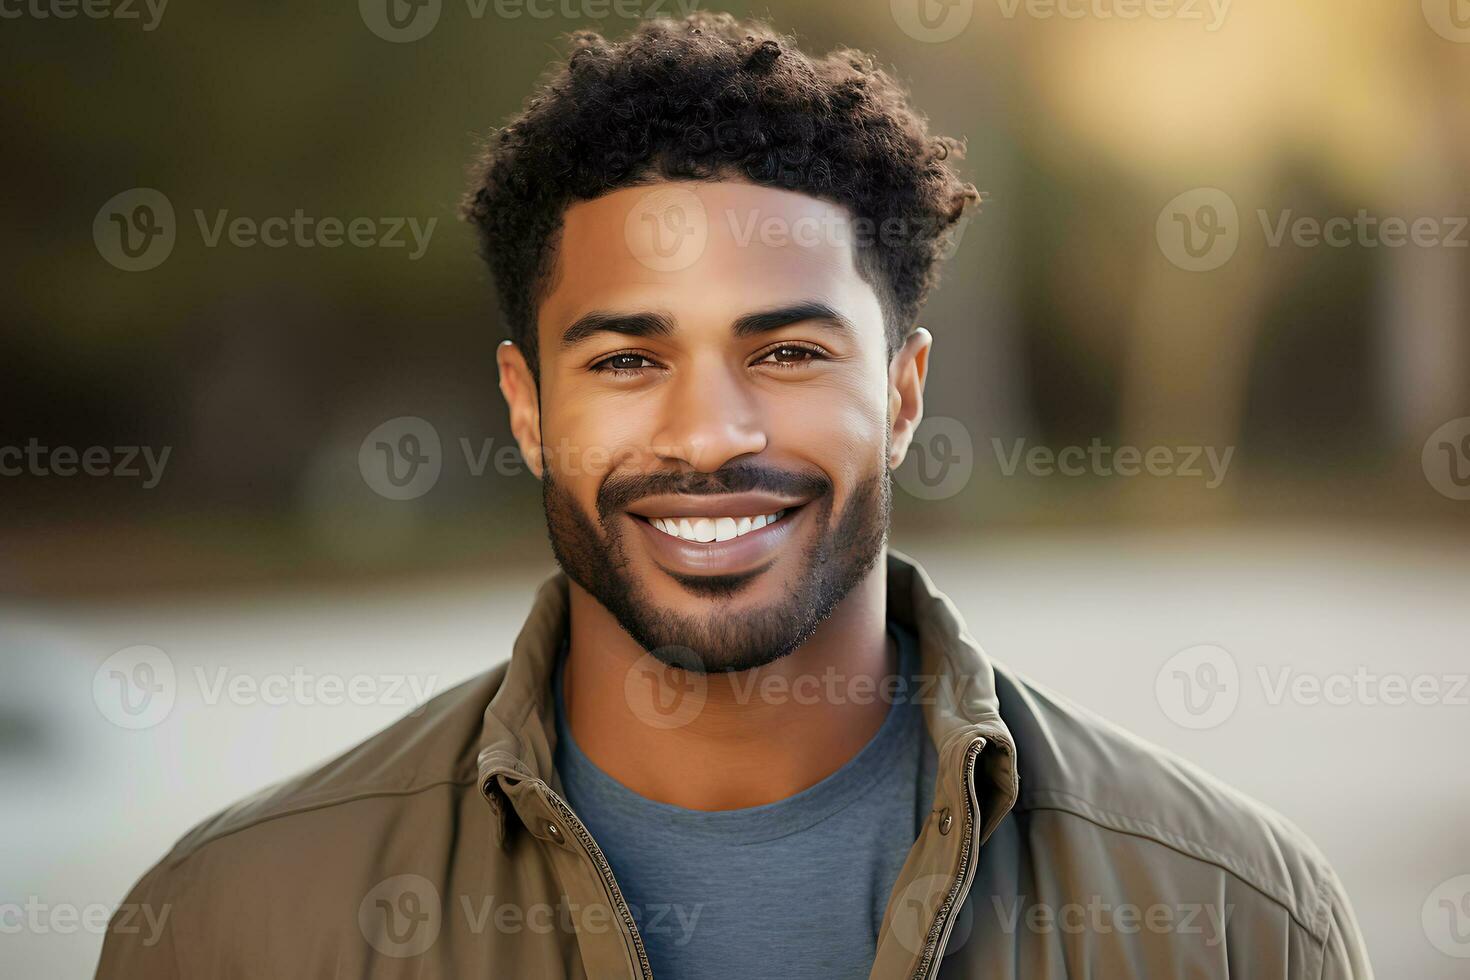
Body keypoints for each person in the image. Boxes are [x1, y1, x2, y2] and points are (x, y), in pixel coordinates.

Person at [97, 13, 1372, 978]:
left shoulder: (1229, 916)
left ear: (908, 390)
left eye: (789, 351)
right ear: (527, 403)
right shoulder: (233, 922)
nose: (709, 431)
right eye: (627, 359)